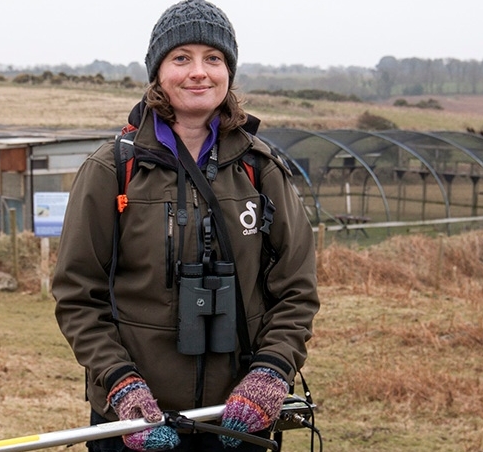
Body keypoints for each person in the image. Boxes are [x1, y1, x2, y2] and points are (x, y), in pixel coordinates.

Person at [52, 1, 320, 450]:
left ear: (229, 72)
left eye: (213, 59)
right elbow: (77, 295)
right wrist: (121, 386)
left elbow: (296, 289)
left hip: (237, 419)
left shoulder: (261, 168)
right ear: (158, 72)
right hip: (133, 423)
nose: (199, 72)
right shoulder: (111, 170)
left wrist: (271, 372)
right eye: (182, 58)